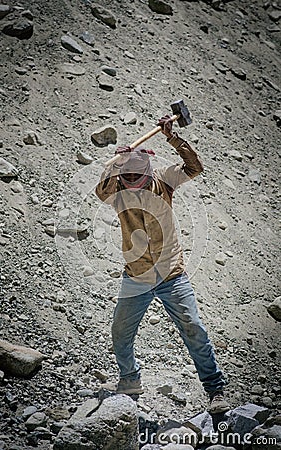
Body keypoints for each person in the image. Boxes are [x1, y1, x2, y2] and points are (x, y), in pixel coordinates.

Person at [95, 115, 230, 414]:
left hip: (171, 274)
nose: (132, 186)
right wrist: (116, 161)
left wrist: (173, 138)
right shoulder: (116, 190)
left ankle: (215, 389)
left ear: (148, 174)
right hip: (137, 276)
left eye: (137, 179)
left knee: (193, 328)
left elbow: (195, 167)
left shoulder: (164, 181)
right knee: (120, 332)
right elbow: (100, 190)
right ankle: (130, 380)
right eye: (126, 180)